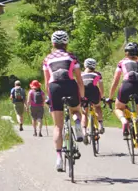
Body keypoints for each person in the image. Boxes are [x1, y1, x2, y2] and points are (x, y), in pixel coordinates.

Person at [43, 30, 85, 172]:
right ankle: (78, 123)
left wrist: (49, 98)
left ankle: (59, 159)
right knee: (76, 110)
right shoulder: (71, 57)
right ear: (66, 43)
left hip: (54, 88)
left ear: (53, 43)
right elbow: (80, 80)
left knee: (58, 127)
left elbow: (47, 82)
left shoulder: (47, 59)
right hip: (70, 85)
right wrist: (83, 97)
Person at [107, 42, 138, 146]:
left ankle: (124, 122)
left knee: (118, 108)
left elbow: (115, 81)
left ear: (126, 53)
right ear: (137, 53)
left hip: (127, 86)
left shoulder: (122, 62)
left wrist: (110, 97)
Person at [81, 58, 105, 135]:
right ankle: (101, 125)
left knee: (84, 113)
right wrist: (102, 97)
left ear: (85, 65)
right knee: (97, 107)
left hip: (84, 93)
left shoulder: (81, 75)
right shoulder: (97, 74)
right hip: (94, 92)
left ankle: (84, 132)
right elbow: (99, 85)